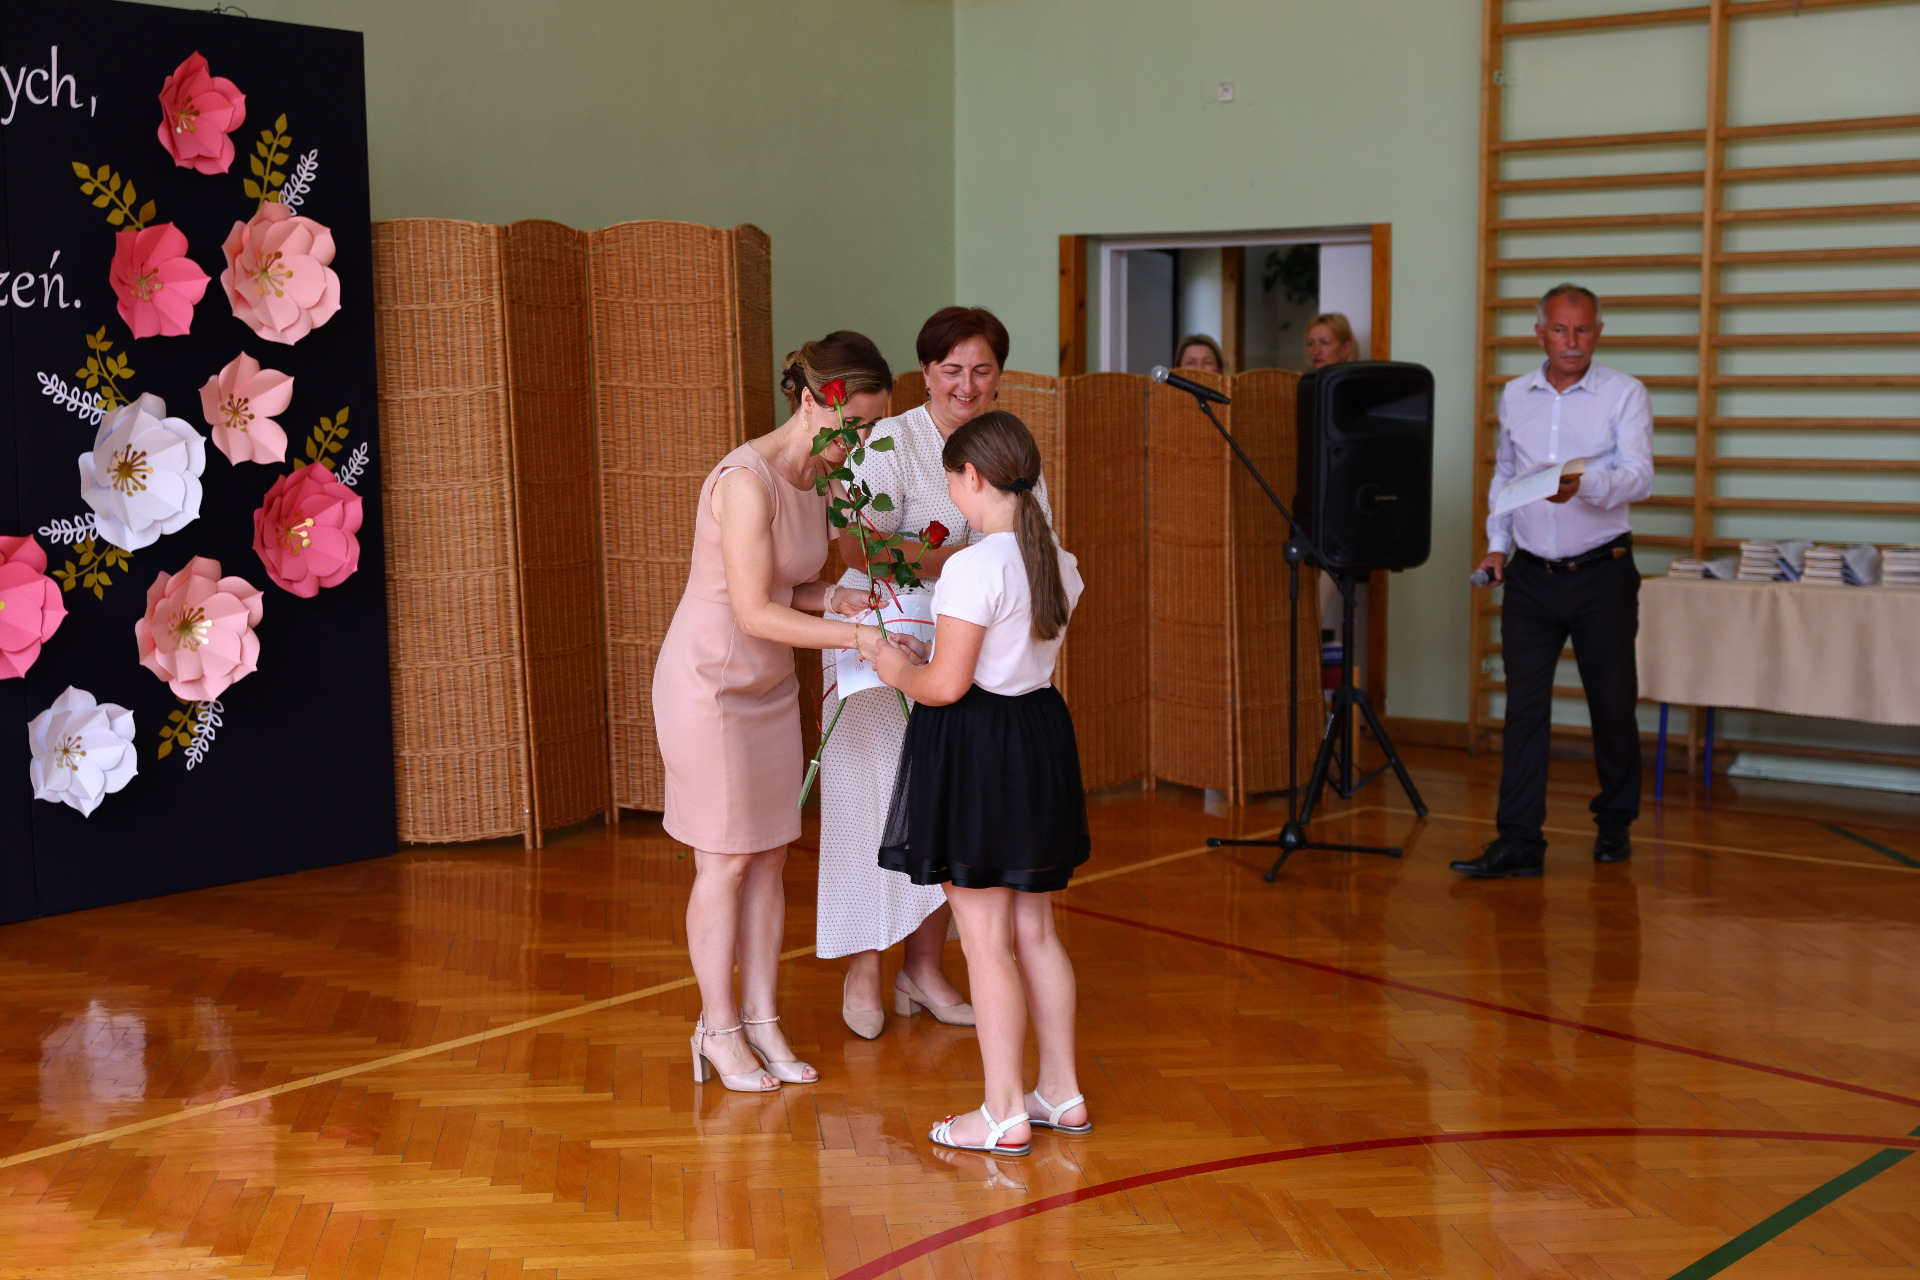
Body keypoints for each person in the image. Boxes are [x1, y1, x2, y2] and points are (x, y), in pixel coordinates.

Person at [652, 331, 894, 1090]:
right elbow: (754, 610)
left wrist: (838, 597)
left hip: (767, 689)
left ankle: (762, 1022)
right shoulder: (745, 481)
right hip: (710, 688)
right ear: (813, 402)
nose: (860, 444)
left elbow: (791, 586)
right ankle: (717, 1029)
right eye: (854, 426)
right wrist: (856, 634)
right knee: (724, 863)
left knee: (768, 859)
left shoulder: (817, 478)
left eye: (872, 429)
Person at [818, 306, 1053, 1039]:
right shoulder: (891, 440)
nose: (967, 385)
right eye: (952, 370)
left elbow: (1037, 549)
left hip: (973, 651)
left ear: (1000, 375)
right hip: (881, 636)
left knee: (941, 806)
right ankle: (864, 966)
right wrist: (959, 561)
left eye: (982, 370)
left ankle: (922, 968)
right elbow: (856, 547)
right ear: (925, 373)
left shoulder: (1007, 447)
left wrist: (961, 570)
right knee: (870, 802)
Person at [868, 410, 1090, 1156]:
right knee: (1036, 930)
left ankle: (1001, 1112)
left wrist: (888, 662)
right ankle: (1060, 1091)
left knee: (987, 941)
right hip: (1039, 735)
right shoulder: (1058, 560)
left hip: (980, 746)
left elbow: (944, 687)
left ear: (972, 477)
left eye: (952, 484)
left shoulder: (973, 566)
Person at [1456, 283, 1653, 879]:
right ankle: (1519, 841)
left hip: (1602, 574)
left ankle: (1614, 822)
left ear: (1599, 333)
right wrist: (1497, 545)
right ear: (1540, 334)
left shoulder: (1624, 393)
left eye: (1584, 329)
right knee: (1523, 709)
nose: (1573, 342)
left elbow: (1640, 477)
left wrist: (1584, 486)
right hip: (1530, 576)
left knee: (1611, 704)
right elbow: (1506, 476)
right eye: (1561, 330)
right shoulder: (1516, 395)